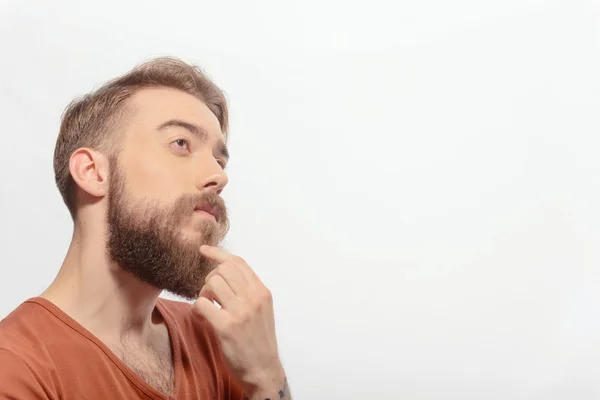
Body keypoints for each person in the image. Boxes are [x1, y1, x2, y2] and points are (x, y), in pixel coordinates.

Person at [0, 57, 291, 400]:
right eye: (181, 144)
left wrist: (266, 376)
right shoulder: (17, 368)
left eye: (219, 160)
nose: (220, 177)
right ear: (93, 172)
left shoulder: (219, 338)